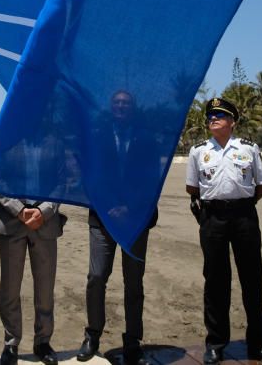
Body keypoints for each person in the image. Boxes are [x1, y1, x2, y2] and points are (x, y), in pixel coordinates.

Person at [186, 97, 262, 364]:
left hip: (244, 217)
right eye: (210, 115)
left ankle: (259, 344)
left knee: (252, 279)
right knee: (215, 280)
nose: (212, 119)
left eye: (220, 115)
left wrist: (245, 203)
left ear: (232, 121)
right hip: (212, 218)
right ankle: (215, 343)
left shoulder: (248, 149)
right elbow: (193, 189)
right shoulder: (198, 151)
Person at [78, 90, 157, 365]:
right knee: (96, 277)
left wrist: (129, 208)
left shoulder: (146, 139)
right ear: (111, 107)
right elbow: (90, 175)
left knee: (134, 283)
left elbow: (151, 178)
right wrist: (110, 206)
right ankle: (92, 336)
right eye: (117, 103)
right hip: (102, 217)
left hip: (136, 219)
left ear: (132, 108)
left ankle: (133, 341)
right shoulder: (97, 136)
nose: (121, 106)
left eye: (126, 103)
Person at [0, 194, 63, 365]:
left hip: (46, 221)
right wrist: (19, 210)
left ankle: (43, 342)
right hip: (11, 219)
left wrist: (44, 211)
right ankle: (11, 343)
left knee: (46, 287)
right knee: (10, 286)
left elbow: (61, 181)